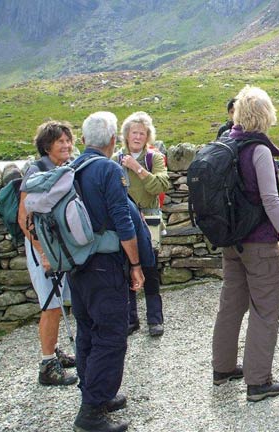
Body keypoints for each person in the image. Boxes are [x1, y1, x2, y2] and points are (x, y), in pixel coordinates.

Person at [211, 85, 279, 402]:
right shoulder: (258, 150)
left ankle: (222, 369)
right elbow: (270, 200)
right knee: (265, 309)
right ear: (265, 114)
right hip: (259, 243)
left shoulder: (225, 144)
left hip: (231, 241)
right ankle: (258, 381)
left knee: (230, 305)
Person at [69, 111, 145, 432]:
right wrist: (137, 265)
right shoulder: (109, 170)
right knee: (112, 335)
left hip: (78, 265)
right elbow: (122, 221)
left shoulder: (70, 169)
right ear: (114, 140)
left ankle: (94, 395)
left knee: (87, 329)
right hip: (105, 265)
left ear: (84, 140)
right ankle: (90, 415)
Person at [18, 121, 77, 386]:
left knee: (59, 303)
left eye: (68, 140)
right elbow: (24, 218)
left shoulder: (63, 167)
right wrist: (43, 253)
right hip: (43, 250)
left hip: (58, 248)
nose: (66, 145)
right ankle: (47, 366)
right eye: (60, 141)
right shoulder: (37, 170)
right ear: (46, 145)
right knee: (51, 306)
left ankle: (53, 351)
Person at [113, 111, 170, 337]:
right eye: (134, 132)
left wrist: (138, 169)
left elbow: (159, 186)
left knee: (150, 268)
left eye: (142, 133)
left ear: (148, 137)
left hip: (149, 218)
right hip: (124, 219)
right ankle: (131, 319)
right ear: (126, 135)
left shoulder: (153, 158)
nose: (137, 137)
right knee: (125, 268)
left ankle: (155, 320)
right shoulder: (115, 160)